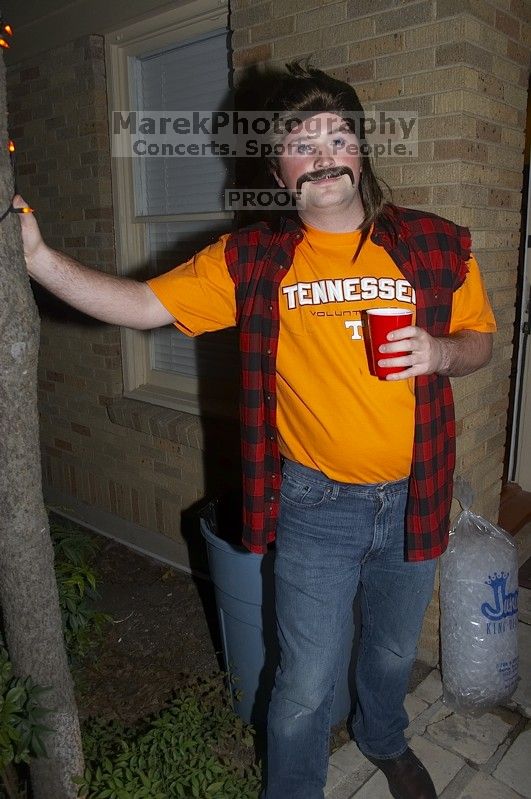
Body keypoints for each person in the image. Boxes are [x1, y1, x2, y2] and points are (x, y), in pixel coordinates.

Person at [17, 62, 495, 799]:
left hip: (416, 491)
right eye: (301, 144)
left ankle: (382, 735)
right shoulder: (251, 260)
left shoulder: (433, 243)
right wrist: (41, 261)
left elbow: (480, 341)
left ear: (361, 151)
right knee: (303, 681)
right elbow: (142, 303)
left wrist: (440, 351)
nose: (325, 154)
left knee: (394, 648)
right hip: (315, 504)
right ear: (277, 172)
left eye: (338, 135)